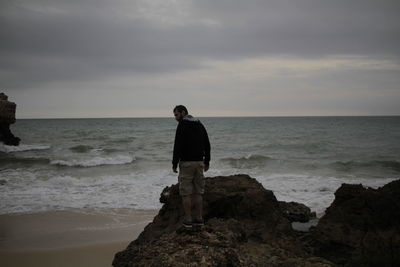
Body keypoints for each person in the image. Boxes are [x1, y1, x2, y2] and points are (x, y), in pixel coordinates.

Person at [172, 105, 210, 228]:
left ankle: (188, 220)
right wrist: (207, 161)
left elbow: (177, 145)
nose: (176, 118)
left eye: (177, 115)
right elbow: (207, 143)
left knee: (186, 193)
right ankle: (199, 219)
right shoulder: (199, 124)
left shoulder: (182, 124)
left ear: (183, 112)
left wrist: (174, 163)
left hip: (186, 163)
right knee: (199, 192)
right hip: (199, 162)